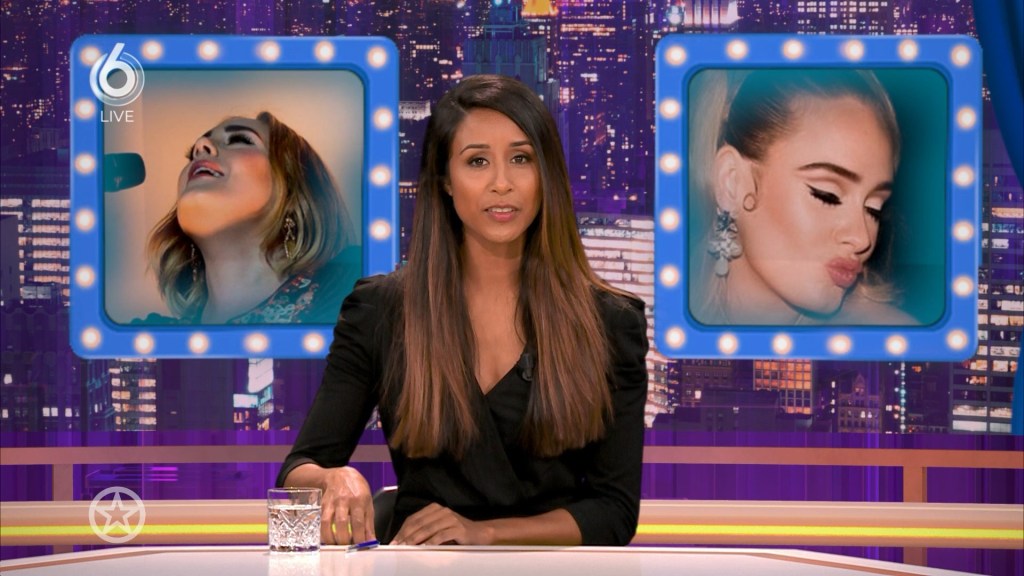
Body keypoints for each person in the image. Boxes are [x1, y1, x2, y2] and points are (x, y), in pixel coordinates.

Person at [277, 75, 649, 547]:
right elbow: (300, 467)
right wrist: (333, 478)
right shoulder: (381, 311)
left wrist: (484, 534)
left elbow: (614, 513)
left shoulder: (610, 322)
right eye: (477, 161)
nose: (502, 183)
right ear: (445, 181)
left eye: (521, 159)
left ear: (546, 175)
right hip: (421, 564)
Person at [690, 69, 918, 325]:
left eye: (874, 209)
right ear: (731, 182)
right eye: (828, 196)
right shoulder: (662, 310)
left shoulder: (892, 339)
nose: (862, 239)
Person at [145, 111, 358, 324]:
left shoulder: (353, 287)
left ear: (293, 195)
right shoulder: (149, 333)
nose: (200, 146)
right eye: (192, 155)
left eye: (240, 139)